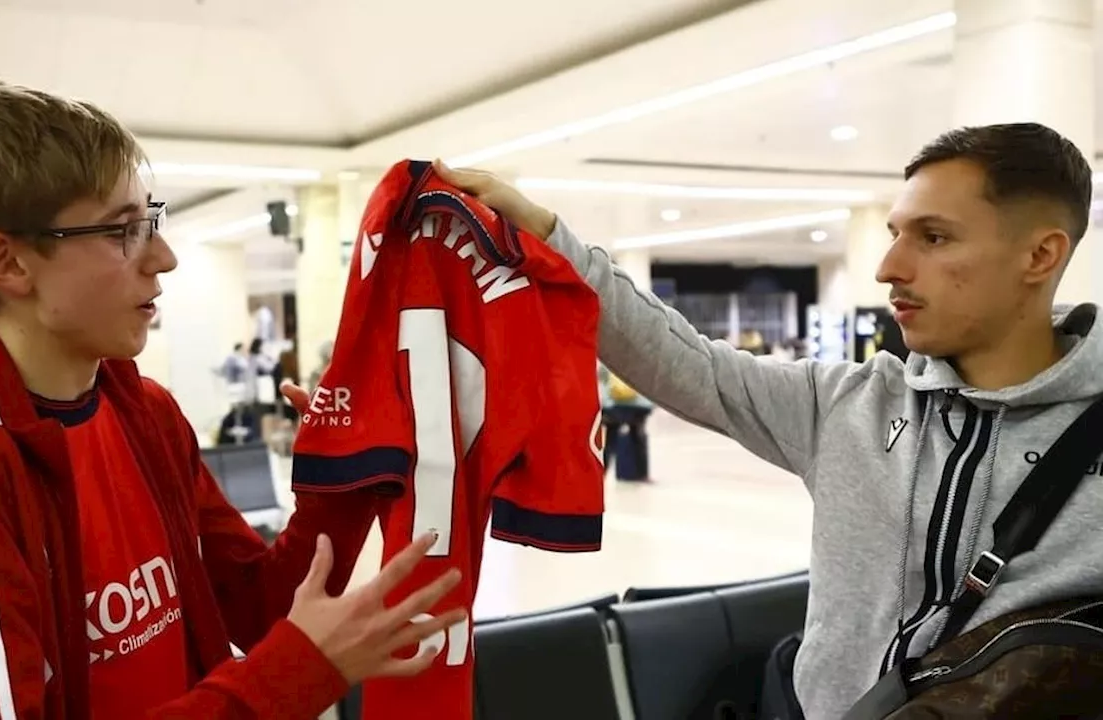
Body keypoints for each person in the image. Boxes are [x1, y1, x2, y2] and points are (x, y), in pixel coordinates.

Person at [434, 122, 1103, 717]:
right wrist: (550, 241)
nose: (888, 267)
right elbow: (686, 361)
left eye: (933, 237)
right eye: (896, 233)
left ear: (1039, 256)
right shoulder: (846, 405)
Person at [0, 79, 465, 720]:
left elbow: (259, 607)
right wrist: (293, 674)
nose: (165, 257)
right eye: (122, 231)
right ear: (9, 263)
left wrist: (346, 470)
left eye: (149, 221)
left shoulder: (145, 412)